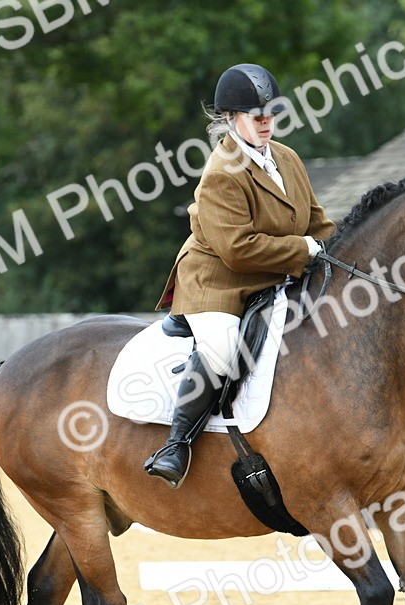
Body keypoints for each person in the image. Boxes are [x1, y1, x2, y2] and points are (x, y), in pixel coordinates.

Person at [144, 63, 336, 487]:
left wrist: (345, 255)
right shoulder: (220, 174)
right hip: (218, 280)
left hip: (272, 273)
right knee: (222, 346)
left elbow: (318, 225)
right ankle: (176, 445)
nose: (266, 122)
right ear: (231, 119)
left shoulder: (287, 158)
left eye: (271, 113)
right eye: (256, 115)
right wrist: (303, 250)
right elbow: (238, 249)